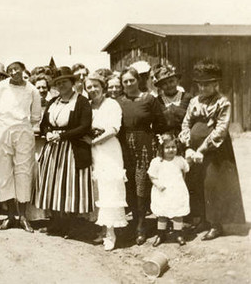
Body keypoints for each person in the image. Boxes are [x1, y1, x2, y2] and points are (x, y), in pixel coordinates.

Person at [179, 59, 246, 240]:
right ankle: (202, 220)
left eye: (207, 85)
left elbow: (220, 130)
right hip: (193, 149)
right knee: (197, 182)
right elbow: (186, 123)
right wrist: (187, 146)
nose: (202, 89)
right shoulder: (194, 101)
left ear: (216, 84)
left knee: (213, 184)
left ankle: (216, 224)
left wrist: (201, 149)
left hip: (215, 149)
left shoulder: (223, 102)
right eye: (200, 85)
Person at [34, 67, 92, 236]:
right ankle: (56, 224)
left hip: (72, 149)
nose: (61, 85)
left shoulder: (81, 101)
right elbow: (44, 123)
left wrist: (63, 136)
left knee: (70, 187)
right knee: (53, 186)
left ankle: (71, 227)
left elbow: (84, 126)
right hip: (53, 149)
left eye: (64, 82)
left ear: (72, 83)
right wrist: (48, 132)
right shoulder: (53, 102)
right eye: (58, 83)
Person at [117, 67, 167, 245]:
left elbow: (161, 124)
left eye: (132, 80)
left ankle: (141, 226)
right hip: (123, 146)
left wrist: (159, 143)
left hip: (145, 144)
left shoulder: (149, 99)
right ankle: (131, 223)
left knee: (141, 185)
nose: (129, 84)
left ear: (138, 80)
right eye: (125, 81)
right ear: (122, 84)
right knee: (128, 183)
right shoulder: (118, 101)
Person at [0, 60, 42, 233]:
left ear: (23, 70)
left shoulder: (32, 90)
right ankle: (10, 216)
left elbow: (36, 116)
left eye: (17, 69)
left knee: (23, 171)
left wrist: (22, 124)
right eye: (10, 70)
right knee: (3, 171)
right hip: (2, 128)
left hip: (23, 129)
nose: (13, 72)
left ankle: (23, 216)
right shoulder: (0, 87)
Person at [85, 72, 127, 251]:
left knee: (109, 188)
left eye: (96, 86)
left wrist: (94, 140)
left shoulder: (112, 104)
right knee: (98, 189)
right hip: (92, 152)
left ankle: (111, 233)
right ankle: (102, 229)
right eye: (89, 87)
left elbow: (113, 129)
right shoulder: (87, 106)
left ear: (103, 87)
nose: (93, 90)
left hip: (109, 150)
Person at [148, 133, 190, 247]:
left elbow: (184, 171)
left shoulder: (179, 160)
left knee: (178, 212)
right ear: (161, 148)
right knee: (162, 213)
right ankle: (161, 234)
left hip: (177, 191)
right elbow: (152, 175)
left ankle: (178, 234)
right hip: (162, 191)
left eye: (173, 147)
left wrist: (180, 184)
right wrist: (157, 184)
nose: (171, 150)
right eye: (167, 147)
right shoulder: (157, 162)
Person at [153, 64, 192, 135]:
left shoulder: (188, 98)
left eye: (171, 81)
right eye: (164, 83)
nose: (169, 86)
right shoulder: (156, 102)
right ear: (160, 86)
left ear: (177, 81)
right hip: (164, 142)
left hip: (185, 138)